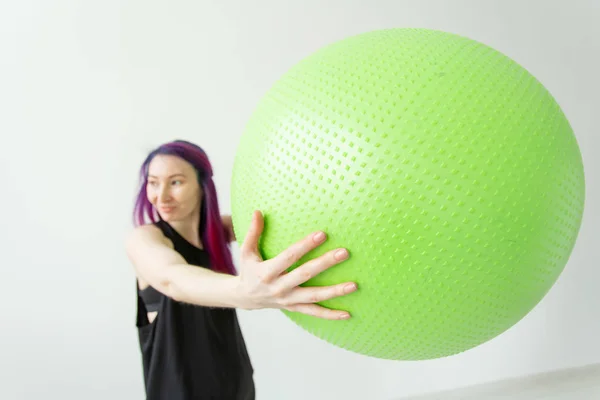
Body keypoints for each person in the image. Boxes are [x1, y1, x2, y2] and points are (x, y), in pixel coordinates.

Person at [125, 139, 358, 399]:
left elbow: (283, 218)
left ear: (203, 185)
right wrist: (245, 291)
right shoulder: (144, 240)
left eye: (176, 182)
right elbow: (173, 279)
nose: (161, 196)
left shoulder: (217, 233)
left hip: (235, 386)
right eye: (153, 182)